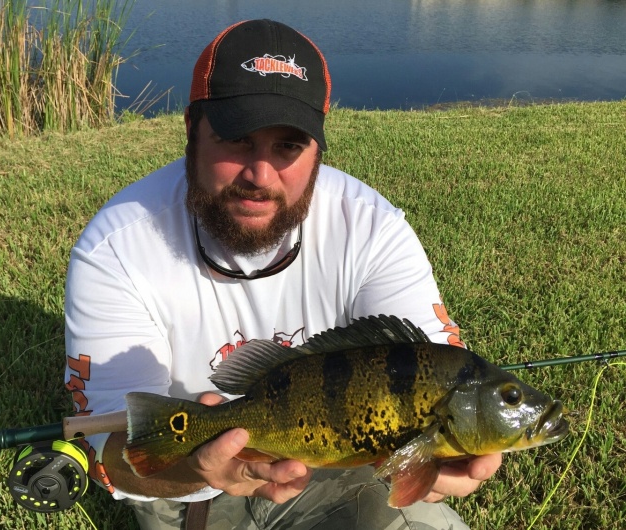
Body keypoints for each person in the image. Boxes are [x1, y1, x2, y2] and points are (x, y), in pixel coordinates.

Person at [64, 19, 502, 530]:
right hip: (191, 484)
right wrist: (199, 470)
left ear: (318, 146)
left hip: (341, 466)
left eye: (287, 146)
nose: (260, 175)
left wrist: (443, 459)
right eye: (238, 138)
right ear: (190, 129)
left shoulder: (372, 228)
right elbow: (113, 453)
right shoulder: (116, 248)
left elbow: (431, 367)